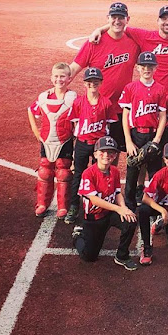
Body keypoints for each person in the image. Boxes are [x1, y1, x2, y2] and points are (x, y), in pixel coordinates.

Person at [69, 2, 140, 149]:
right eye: (114, 17)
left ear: (127, 19)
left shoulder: (134, 43)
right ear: (108, 18)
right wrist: (58, 87)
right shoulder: (94, 42)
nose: (117, 21)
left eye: (121, 17)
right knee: (89, 149)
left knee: (113, 149)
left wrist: (101, 28)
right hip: (96, 107)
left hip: (121, 107)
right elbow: (74, 68)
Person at [89, 4, 168, 95]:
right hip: (151, 94)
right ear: (158, 21)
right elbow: (120, 25)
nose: (167, 22)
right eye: (164, 19)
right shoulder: (145, 36)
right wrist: (99, 29)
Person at [72, 136, 138, 270]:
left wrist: (123, 208)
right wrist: (118, 209)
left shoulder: (115, 171)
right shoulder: (88, 173)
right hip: (94, 218)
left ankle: (122, 256)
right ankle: (78, 236)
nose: (106, 155)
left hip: (109, 213)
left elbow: (117, 192)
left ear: (115, 156)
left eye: (110, 152)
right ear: (95, 154)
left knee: (130, 220)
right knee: (89, 256)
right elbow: (94, 200)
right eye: (102, 152)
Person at [65, 67, 118, 226]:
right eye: (89, 82)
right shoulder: (79, 102)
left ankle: (100, 204)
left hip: (99, 146)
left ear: (101, 83)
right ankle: (74, 205)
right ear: (84, 83)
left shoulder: (106, 103)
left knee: (99, 175)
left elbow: (109, 124)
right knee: (78, 174)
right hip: (82, 143)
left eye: (96, 81)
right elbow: (74, 123)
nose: (92, 84)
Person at [27, 62, 77, 218]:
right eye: (56, 76)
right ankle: (42, 203)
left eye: (62, 76)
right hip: (47, 140)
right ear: (51, 78)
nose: (59, 79)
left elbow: (79, 118)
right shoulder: (44, 97)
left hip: (65, 140)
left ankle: (63, 206)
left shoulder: (73, 98)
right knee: (45, 171)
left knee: (63, 172)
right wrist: (36, 131)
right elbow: (31, 110)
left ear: (69, 79)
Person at [119, 51, 168, 208]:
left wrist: (157, 140)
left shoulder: (160, 89)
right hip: (136, 134)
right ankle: (129, 203)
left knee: (154, 172)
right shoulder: (130, 87)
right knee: (132, 169)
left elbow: (162, 115)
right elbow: (126, 115)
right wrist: (128, 141)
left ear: (156, 68)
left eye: (150, 66)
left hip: (152, 134)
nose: (147, 69)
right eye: (143, 66)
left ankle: (152, 205)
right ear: (138, 68)